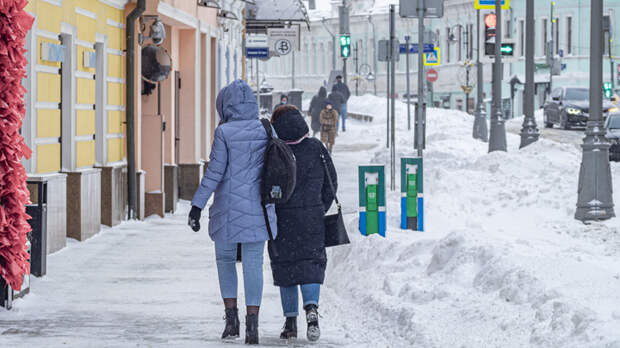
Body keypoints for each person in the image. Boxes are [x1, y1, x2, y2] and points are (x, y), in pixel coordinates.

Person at [188, 80, 277, 345]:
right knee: (253, 264)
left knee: (225, 261)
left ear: (225, 105)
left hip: (227, 208)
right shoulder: (266, 128)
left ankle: (231, 321)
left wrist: (197, 206)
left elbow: (214, 173)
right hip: (260, 209)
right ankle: (253, 326)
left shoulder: (224, 132)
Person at [269, 105, 338, 343]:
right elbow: (331, 183)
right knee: (310, 265)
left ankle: (290, 323)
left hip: (282, 220)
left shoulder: (274, 150)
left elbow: (264, 186)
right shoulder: (316, 148)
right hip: (312, 220)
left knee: (286, 267)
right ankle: (311, 310)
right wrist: (319, 207)